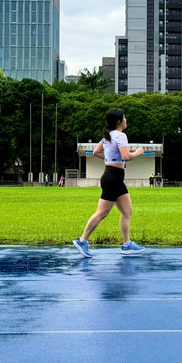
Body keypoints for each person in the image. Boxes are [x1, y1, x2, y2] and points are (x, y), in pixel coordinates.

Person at [72, 108, 147, 257]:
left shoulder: (108, 136)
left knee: (127, 211)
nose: (126, 120)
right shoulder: (120, 136)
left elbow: (96, 152)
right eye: (124, 118)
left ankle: (127, 245)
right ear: (119, 121)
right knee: (102, 213)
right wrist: (138, 152)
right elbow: (126, 156)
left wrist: (110, 159)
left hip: (114, 176)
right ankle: (82, 240)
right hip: (113, 177)